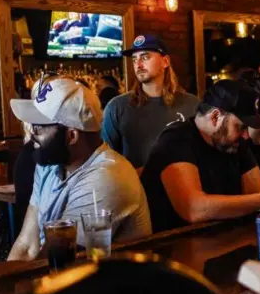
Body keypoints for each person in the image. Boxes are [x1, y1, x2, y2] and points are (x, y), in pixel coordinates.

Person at [8, 77, 152, 261]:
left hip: (109, 285)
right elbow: (26, 245)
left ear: (72, 136)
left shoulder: (106, 177)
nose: (31, 135)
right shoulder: (49, 165)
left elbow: (56, 262)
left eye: (38, 128)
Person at [140, 80, 260, 233]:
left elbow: (257, 194)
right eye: (241, 126)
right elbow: (193, 209)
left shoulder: (235, 144)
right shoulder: (175, 140)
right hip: (172, 247)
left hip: (223, 240)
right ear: (216, 117)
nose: (246, 135)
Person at [102, 34, 200, 171]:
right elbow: (105, 160)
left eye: (145, 57)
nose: (139, 64)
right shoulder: (117, 107)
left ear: (165, 61)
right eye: (135, 59)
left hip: (181, 190)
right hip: (135, 190)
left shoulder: (192, 104)